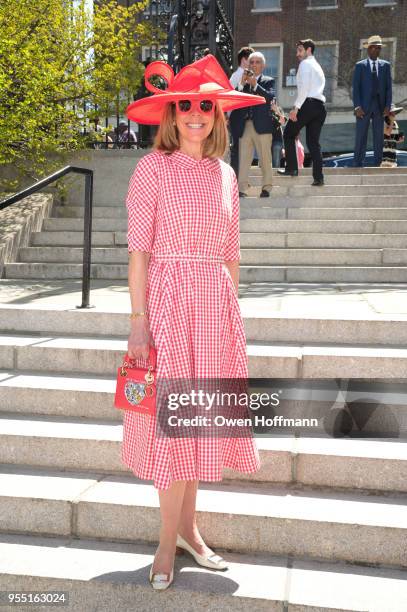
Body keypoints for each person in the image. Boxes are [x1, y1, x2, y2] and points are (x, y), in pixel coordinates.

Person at [122, 54, 263, 591]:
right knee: (174, 427)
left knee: (198, 423)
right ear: (173, 113)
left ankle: (189, 532)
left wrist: (232, 315)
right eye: (186, 105)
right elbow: (138, 253)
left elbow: (231, 252)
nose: (196, 114)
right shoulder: (151, 168)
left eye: (206, 104)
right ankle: (166, 541)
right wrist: (138, 321)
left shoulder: (227, 174)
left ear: (217, 113)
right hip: (168, 304)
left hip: (214, 308)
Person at [278, 39, 326, 186]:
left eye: (300, 50)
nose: (297, 54)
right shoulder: (317, 66)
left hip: (308, 104)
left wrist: (295, 108)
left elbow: (304, 88)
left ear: (309, 50)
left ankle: (292, 168)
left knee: (288, 133)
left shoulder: (305, 64)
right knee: (313, 143)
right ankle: (318, 178)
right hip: (320, 107)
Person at [230, 51, 276, 198]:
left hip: (262, 126)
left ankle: (266, 187)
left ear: (263, 65)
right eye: (252, 62)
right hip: (245, 125)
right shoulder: (244, 83)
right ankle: (242, 189)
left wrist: (255, 85)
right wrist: (242, 84)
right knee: (244, 158)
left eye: (257, 62)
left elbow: (270, 98)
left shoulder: (268, 81)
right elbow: (235, 99)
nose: (254, 65)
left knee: (265, 158)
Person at [352, 35, 393, 168]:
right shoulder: (360, 66)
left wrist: (388, 105)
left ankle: (378, 163)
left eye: (379, 48)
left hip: (380, 107)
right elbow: (356, 88)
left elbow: (388, 88)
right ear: (368, 49)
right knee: (361, 136)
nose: (377, 50)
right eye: (374, 47)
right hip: (363, 107)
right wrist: (357, 106)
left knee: (378, 138)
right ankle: (357, 163)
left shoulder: (386, 66)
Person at [228, 46, 254, 177]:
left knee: (242, 148)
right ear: (244, 60)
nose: (253, 63)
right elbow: (231, 97)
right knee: (238, 148)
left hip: (242, 116)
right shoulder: (237, 75)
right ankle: (236, 178)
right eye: (251, 60)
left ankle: (240, 177)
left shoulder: (245, 75)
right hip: (238, 116)